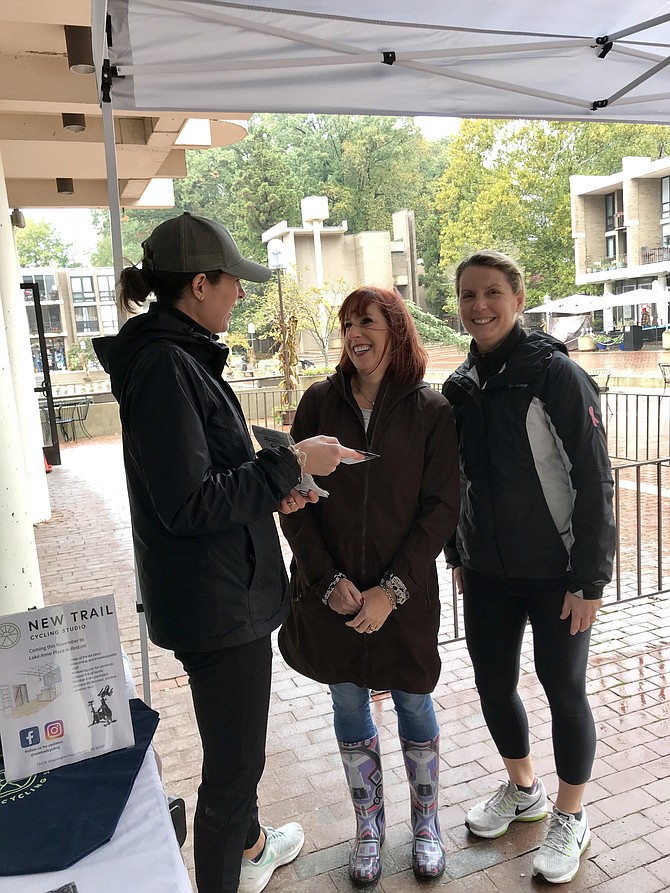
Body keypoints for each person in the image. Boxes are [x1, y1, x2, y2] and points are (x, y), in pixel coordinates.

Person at [93, 212, 361, 893]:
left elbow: (205, 476)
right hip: (217, 603)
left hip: (214, 590)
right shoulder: (165, 365)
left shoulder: (176, 356)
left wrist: (278, 486)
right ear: (200, 283)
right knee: (234, 768)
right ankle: (230, 860)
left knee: (230, 743)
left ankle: (255, 843)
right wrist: (292, 459)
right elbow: (188, 504)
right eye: (232, 283)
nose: (239, 295)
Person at [442, 250, 616, 885]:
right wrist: (458, 553)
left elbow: (595, 479)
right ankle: (525, 791)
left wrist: (589, 578)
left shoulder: (554, 375)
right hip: (488, 572)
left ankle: (572, 814)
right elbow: (457, 479)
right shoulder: (460, 386)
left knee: (562, 687)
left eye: (491, 293)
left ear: (517, 299)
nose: (479, 306)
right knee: (493, 685)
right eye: (467, 295)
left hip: (557, 573)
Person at [278, 286, 460, 884]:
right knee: (348, 700)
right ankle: (369, 826)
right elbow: (294, 502)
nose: (356, 333)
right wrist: (326, 579)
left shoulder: (430, 411)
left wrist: (392, 592)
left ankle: (427, 823)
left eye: (369, 322)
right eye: (349, 323)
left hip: (401, 598)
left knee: (413, 698)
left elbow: (439, 510)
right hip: (333, 595)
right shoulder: (316, 403)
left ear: (396, 331)